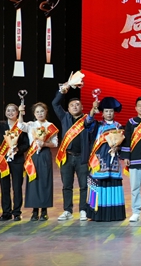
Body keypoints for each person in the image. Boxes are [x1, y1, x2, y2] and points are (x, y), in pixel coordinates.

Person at [52, 83, 92, 221]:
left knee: (84, 185)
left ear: (82, 107)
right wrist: (62, 91)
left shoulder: (87, 120)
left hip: (82, 158)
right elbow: (55, 103)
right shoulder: (65, 118)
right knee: (67, 186)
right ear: (68, 109)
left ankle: (83, 210)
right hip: (67, 157)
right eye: (72, 105)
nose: (75, 107)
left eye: (77, 105)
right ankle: (67, 210)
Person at [0, 102, 31, 221]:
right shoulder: (2, 125)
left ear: (17, 112)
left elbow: (26, 144)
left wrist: (18, 149)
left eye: (13, 110)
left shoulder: (22, 126)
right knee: (4, 188)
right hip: (3, 161)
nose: (10, 112)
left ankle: (17, 212)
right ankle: (6, 212)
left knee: (17, 187)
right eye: (8, 110)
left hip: (17, 160)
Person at [86, 97, 126, 222]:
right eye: (106, 111)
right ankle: (95, 213)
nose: (109, 114)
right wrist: (92, 110)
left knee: (113, 184)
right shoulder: (97, 125)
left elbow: (124, 145)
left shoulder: (119, 127)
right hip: (98, 161)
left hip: (113, 162)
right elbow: (87, 124)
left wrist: (118, 148)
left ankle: (115, 214)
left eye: (111, 111)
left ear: (114, 112)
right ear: (102, 113)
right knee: (97, 185)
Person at [19, 102, 60, 221]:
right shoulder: (31, 125)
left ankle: (44, 211)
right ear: (34, 114)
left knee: (45, 181)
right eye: (37, 112)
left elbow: (55, 143)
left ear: (46, 112)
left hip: (45, 155)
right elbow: (20, 126)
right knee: (33, 181)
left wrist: (45, 144)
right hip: (33, 156)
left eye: (42, 111)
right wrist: (21, 113)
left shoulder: (50, 126)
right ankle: (34, 211)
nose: (40, 114)